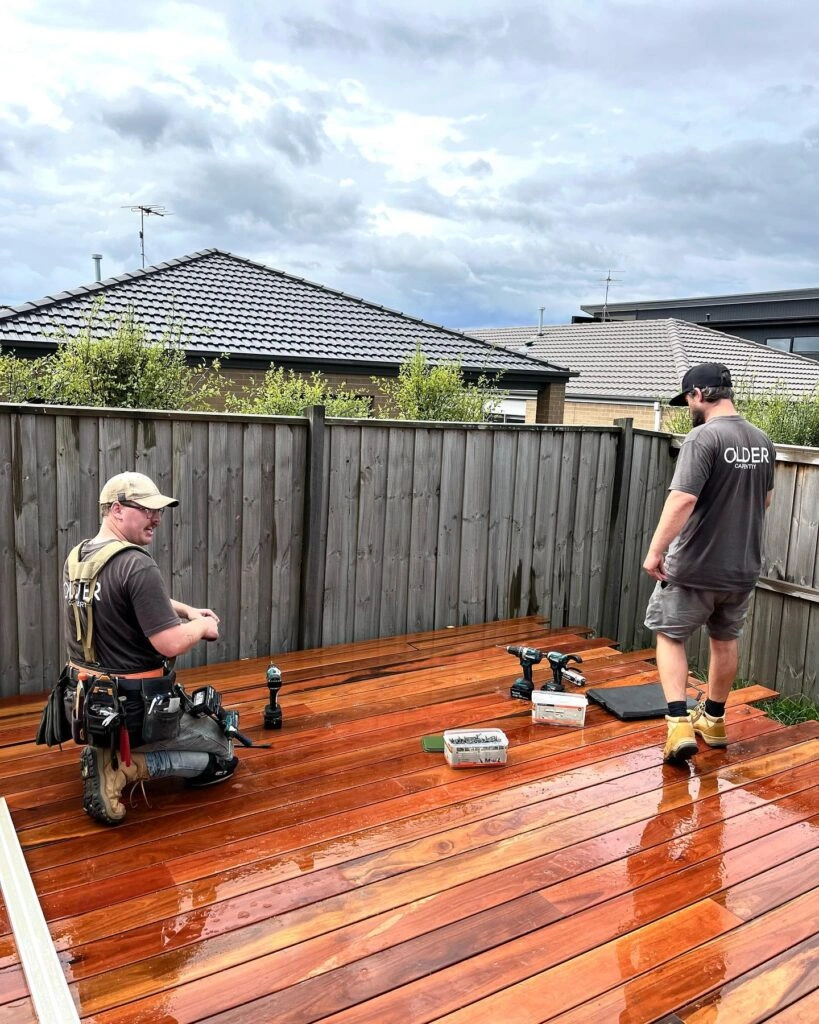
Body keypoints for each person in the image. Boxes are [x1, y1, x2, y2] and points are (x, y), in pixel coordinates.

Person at [64, 471, 238, 825]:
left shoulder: (80, 557)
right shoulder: (137, 563)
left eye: (158, 511)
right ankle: (125, 768)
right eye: (147, 510)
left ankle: (103, 749)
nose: (157, 518)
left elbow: (129, 598)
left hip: (85, 704)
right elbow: (170, 642)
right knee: (223, 751)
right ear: (116, 509)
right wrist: (202, 625)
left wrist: (185, 609)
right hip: (135, 713)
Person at [642, 363, 775, 764]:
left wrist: (655, 551)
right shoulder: (762, 440)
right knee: (724, 639)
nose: (688, 408)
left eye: (687, 400)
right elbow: (765, 500)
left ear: (699, 394)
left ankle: (678, 723)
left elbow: (682, 498)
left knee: (668, 633)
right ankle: (714, 720)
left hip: (697, 564)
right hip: (742, 567)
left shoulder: (703, 438)